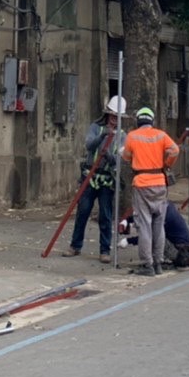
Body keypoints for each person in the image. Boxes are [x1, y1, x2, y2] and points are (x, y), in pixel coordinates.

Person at [62, 97, 125, 263]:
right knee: (83, 211)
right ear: (107, 115)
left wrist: (109, 156)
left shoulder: (122, 136)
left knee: (105, 215)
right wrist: (102, 137)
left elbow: (120, 159)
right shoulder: (96, 128)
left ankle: (105, 250)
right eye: (112, 117)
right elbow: (89, 145)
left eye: (117, 118)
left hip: (107, 178)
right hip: (89, 176)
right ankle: (75, 246)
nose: (114, 120)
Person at [121, 107, 179, 276]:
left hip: (141, 183)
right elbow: (175, 150)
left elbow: (125, 156)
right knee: (158, 225)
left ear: (138, 121)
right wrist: (167, 163)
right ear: (152, 121)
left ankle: (148, 265)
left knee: (144, 225)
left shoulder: (132, 136)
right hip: (160, 183)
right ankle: (159, 263)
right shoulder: (161, 135)